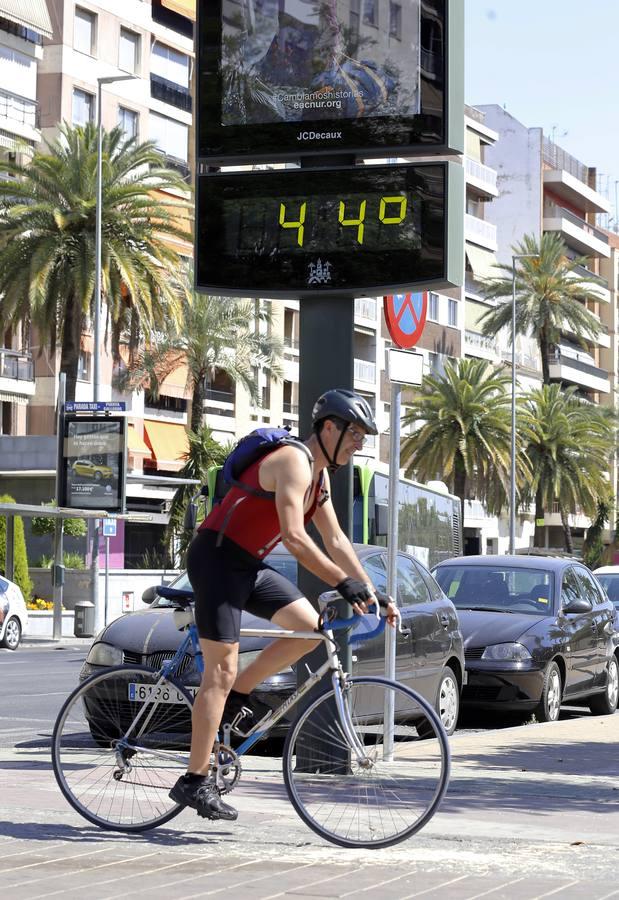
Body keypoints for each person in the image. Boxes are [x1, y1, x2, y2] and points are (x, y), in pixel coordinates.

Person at [169, 388, 397, 820]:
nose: (359, 442)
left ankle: (238, 694)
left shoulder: (320, 477)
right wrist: (342, 582)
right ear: (329, 427)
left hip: (248, 564)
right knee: (220, 668)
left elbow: (335, 540)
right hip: (216, 559)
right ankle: (194, 781)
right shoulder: (294, 462)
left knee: (311, 631)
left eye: (364, 436)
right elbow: (294, 538)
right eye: (355, 433)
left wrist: (372, 590)